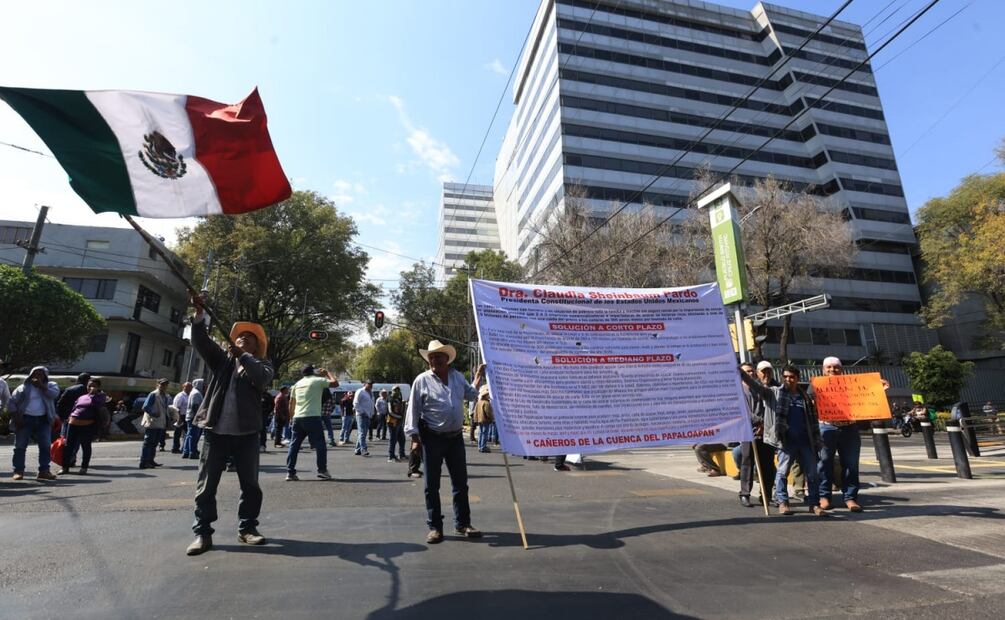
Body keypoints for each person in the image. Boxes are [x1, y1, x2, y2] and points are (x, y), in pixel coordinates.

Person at [186, 298, 275, 556]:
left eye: (249, 339)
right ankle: (202, 533)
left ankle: (247, 528)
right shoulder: (221, 362)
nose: (243, 340)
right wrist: (200, 313)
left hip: (246, 435)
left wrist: (245, 357)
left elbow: (261, 378)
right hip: (215, 433)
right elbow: (202, 342)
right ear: (230, 344)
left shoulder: (262, 365)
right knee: (206, 486)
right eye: (239, 338)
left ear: (257, 347)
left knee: (250, 485)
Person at [404, 340, 486, 543]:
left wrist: (478, 377)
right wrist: (414, 438)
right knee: (431, 485)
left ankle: (463, 523)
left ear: (447, 359)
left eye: (438, 357)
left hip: (455, 438)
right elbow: (413, 410)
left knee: (460, 483)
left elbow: (471, 394)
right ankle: (435, 527)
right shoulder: (421, 380)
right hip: (432, 438)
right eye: (431, 357)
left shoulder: (457, 377)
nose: (434, 360)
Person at [740, 364, 828, 516]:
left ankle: (814, 504)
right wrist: (740, 373)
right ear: (781, 378)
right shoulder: (774, 393)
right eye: (785, 377)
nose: (788, 379)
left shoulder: (805, 397)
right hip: (786, 442)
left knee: (812, 474)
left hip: (806, 441)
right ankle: (783, 502)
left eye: (792, 377)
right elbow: (755, 385)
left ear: (798, 379)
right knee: (782, 473)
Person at [816, 357, 887, 513]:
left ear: (841, 369)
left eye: (835, 367)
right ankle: (824, 497)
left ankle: (850, 498)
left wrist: (877, 389)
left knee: (851, 465)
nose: (832, 370)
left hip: (849, 429)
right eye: (828, 367)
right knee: (824, 463)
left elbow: (867, 397)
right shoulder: (816, 385)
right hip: (826, 428)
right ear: (823, 369)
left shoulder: (852, 385)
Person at [287, 365, 339, 481]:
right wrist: (327, 372)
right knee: (320, 444)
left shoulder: (297, 384)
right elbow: (335, 383)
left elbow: (291, 403)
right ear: (313, 372)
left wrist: (291, 418)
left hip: (297, 417)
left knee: (294, 446)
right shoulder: (318, 380)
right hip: (313, 416)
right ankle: (322, 470)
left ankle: (290, 472)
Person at [9, 366, 60, 481]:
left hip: (43, 420)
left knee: (45, 446)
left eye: (40, 374)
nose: (37, 376)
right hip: (25, 419)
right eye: (35, 374)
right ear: (31, 375)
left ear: (45, 376)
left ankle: (44, 471)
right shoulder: (23, 387)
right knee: (20, 446)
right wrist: (16, 417)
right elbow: (11, 402)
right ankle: (18, 471)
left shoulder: (51, 385)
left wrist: (41, 386)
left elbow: (53, 395)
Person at [737, 362, 776, 507]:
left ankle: (766, 495)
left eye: (752, 371)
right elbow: (742, 411)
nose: (751, 374)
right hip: (748, 431)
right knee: (748, 461)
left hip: (765, 432)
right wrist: (759, 421)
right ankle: (745, 493)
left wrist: (765, 424)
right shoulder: (738, 391)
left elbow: (771, 408)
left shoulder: (762, 389)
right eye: (747, 371)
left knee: (768, 464)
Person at [60, 378, 107, 475]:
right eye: (89, 385)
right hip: (73, 423)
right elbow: (74, 408)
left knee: (85, 446)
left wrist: (93, 394)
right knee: (68, 446)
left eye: (94, 386)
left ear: (98, 387)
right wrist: (69, 418)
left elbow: (97, 405)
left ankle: (84, 467)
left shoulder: (101, 396)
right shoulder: (82, 397)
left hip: (87, 425)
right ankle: (65, 467)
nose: (91, 387)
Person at [139, 378, 172, 469]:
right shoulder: (153, 394)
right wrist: (153, 413)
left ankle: (151, 460)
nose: (164, 386)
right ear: (158, 385)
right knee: (148, 442)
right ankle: (144, 461)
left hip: (161, 422)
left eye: (165, 384)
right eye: (162, 384)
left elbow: (165, 409)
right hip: (152, 421)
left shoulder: (165, 396)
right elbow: (145, 407)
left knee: (155, 443)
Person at [182, 379, 205, 458]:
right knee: (193, 435)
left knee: (189, 434)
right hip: (194, 417)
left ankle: (186, 451)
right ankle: (192, 452)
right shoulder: (196, 393)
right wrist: (198, 417)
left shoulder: (194, 392)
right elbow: (195, 406)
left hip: (192, 417)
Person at [353, 380, 375, 456]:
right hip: (361, 415)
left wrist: (372, 413)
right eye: (369, 384)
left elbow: (372, 404)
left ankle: (357, 449)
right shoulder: (360, 391)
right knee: (362, 433)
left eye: (371, 384)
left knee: (363, 433)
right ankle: (364, 449)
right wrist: (362, 412)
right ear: (364, 384)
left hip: (368, 415)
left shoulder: (371, 393)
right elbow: (355, 403)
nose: (370, 385)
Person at [171, 382, 193, 454]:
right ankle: (175, 448)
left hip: (187, 417)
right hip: (180, 416)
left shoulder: (190, 395)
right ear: (183, 387)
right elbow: (177, 408)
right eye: (187, 387)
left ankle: (184, 448)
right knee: (177, 433)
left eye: (190, 387)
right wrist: (179, 418)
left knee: (187, 433)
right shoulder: (180, 396)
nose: (189, 388)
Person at [386, 387, 406, 462]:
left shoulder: (398, 398)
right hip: (392, 421)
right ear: (392, 391)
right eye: (395, 390)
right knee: (393, 439)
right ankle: (390, 456)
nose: (396, 392)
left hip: (399, 422)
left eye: (398, 390)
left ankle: (401, 454)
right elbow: (390, 411)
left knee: (402, 439)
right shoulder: (390, 399)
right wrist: (399, 416)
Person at [474, 385, 494, 453]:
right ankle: (483, 447)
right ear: (485, 395)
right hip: (485, 420)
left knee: (480, 433)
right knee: (484, 433)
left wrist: (476, 419)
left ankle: (480, 446)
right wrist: (492, 418)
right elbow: (488, 413)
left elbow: (475, 411)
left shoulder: (479, 402)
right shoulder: (486, 403)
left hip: (480, 420)